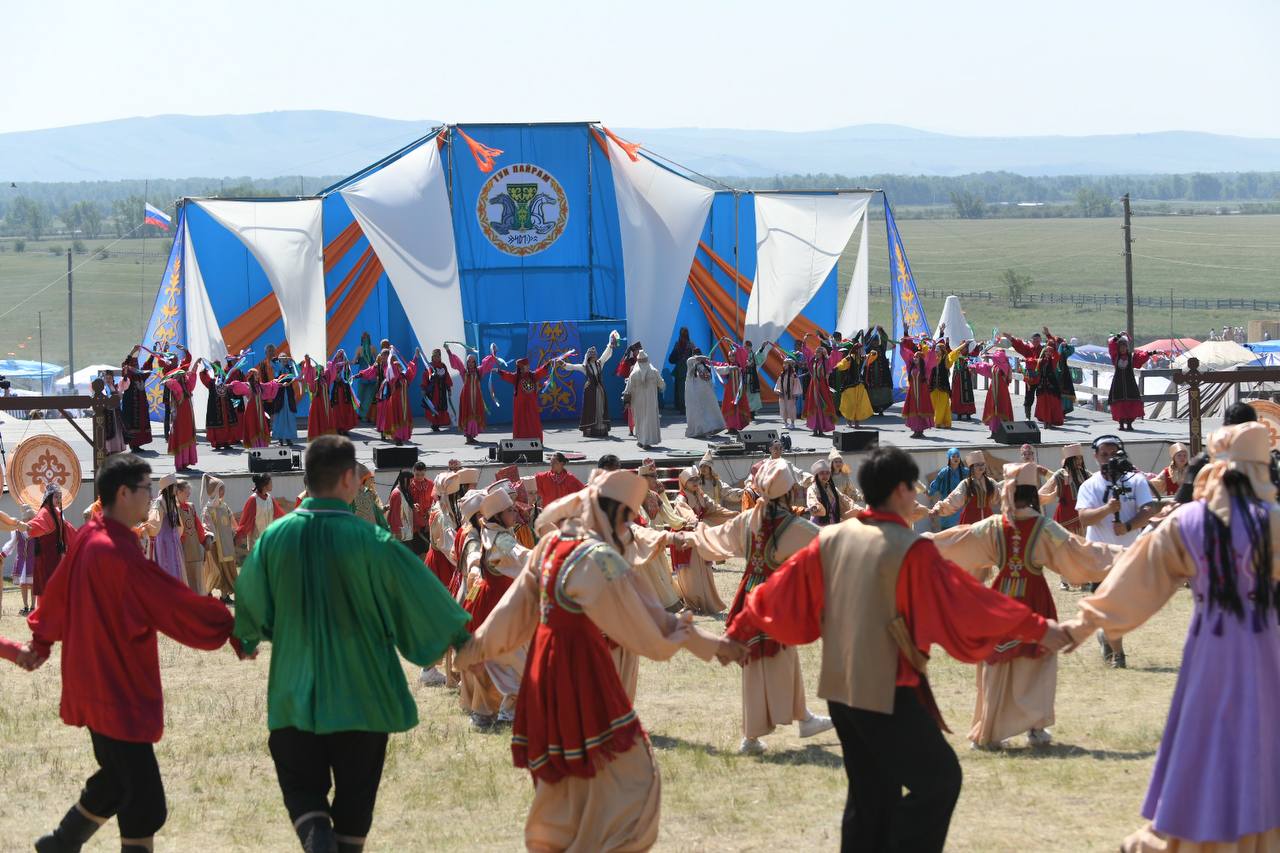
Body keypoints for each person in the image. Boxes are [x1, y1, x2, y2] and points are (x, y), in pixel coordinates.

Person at [722, 445, 1072, 852]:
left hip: (840, 690)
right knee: (940, 780)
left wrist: (736, 633)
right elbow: (971, 603)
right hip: (886, 689)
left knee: (871, 794)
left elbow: (772, 594)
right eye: (913, 487)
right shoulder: (912, 548)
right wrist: (1036, 626)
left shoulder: (832, 539)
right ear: (902, 491)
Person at [454, 470, 732, 852]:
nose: (628, 527)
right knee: (634, 774)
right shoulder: (598, 558)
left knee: (560, 783)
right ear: (613, 516)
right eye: (626, 518)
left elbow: (511, 614)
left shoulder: (551, 546)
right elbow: (645, 624)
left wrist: (474, 648)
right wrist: (705, 644)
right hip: (581, 672)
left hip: (544, 673)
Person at [234, 435, 472, 853]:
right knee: (354, 811)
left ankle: (315, 836)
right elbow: (426, 600)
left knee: (303, 795)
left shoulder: (274, 539)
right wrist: (463, 639)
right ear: (348, 478)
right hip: (363, 698)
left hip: (295, 695)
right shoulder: (373, 542)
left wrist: (251, 637)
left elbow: (251, 604)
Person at [1065, 422, 1280, 853]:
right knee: (1263, 739)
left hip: (1211, 646)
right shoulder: (1272, 521)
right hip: (1264, 646)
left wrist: (1083, 624)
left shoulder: (1189, 521)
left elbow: (1137, 576)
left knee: (1203, 738)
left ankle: (1192, 826)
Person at [26, 453, 237, 853]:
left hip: (97, 684)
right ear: (123, 493)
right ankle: (60, 843)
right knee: (145, 802)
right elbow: (171, 603)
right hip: (115, 690)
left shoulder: (91, 536)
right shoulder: (114, 551)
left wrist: (41, 641)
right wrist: (229, 627)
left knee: (116, 781)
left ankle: (60, 843)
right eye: (144, 489)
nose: (150, 496)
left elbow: (54, 596)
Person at [929, 463, 1119, 749]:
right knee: (1037, 662)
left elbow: (958, 541)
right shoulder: (1045, 528)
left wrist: (917, 544)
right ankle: (1035, 727)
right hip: (1034, 598)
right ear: (1032, 493)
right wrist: (1125, 556)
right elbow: (1079, 553)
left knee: (997, 663)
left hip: (1001, 601)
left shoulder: (994, 526)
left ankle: (990, 731)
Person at [677, 458, 834, 754]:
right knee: (771, 659)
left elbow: (714, 537)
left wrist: (683, 538)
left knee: (775, 658)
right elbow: (830, 545)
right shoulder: (795, 526)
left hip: (751, 595)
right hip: (775, 598)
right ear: (788, 492)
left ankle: (802, 718)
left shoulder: (749, 518)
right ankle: (752, 737)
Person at [1074, 434, 1160, 668]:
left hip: (1130, 554)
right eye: (1104, 454)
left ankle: (1107, 635)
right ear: (1095, 456)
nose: (1109, 459)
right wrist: (1107, 509)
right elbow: (1084, 518)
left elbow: (1149, 508)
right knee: (1110, 605)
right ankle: (1118, 654)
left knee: (1125, 607)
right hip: (1100, 556)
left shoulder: (1136, 480)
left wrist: (1130, 525)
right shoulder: (1089, 485)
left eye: (1114, 454)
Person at [459, 487, 531, 728]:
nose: (514, 513)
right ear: (499, 515)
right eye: (510, 510)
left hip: (494, 601)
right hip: (499, 604)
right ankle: (501, 712)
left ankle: (492, 712)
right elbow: (522, 557)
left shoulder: (493, 532)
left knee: (497, 660)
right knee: (514, 660)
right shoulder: (502, 539)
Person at [669, 468, 729, 615]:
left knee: (704, 570)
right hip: (685, 539)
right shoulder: (681, 499)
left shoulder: (701, 495)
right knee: (691, 572)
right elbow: (687, 514)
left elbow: (714, 508)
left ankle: (707, 601)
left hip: (699, 535)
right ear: (684, 482)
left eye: (697, 479)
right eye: (692, 480)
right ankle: (692, 603)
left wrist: (732, 515)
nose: (696, 482)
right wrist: (697, 524)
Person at [27, 484, 77, 610]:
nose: (58, 500)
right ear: (48, 497)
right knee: (46, 591)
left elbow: (68, 529)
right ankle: (45, 620)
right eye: (56, 497)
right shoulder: (45, 512)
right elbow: (34, 527)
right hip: (45, 559)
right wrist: (25, 526)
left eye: (59, 497)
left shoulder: (55, 513)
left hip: (55, 558)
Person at [499, 354, 566, 443]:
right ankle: (520, 439)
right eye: (526, 366)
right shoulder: (516, 377)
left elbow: (540, 371)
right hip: (520, 404)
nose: (528, 367)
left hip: (531, 403)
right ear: (521, 367)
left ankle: (536, 440)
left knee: (533, 421)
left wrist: (548, 364)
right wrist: (499, 371)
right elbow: (507, 375)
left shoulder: (532, 376)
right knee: (521, 421)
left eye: (528, 365)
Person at [565, 332, 619, 438]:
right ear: (589, 357)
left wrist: (610, 345)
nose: (595, 356)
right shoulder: (585, 367)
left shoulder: (599, 364)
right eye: (592, 355)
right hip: (590, 391)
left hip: (599, 390)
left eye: (595, 355)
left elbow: (605, 355)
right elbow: (573, 367)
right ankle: (590, 430)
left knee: (600, 408)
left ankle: (601, 429)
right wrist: (563, 364)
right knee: (591, 409)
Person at [445, 344, 497, 444]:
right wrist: (448, 351)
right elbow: (457, 363)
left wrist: (494, 353)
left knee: (475, 415)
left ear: (475, 363)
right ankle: (468, 436)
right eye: (468, 362)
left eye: (472, 362)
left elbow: (487, 363)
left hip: (476, 397)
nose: (470, 364)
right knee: (467, 415)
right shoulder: (464, 372)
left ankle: (471, 436)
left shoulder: (479, 371)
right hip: (466, 398)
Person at [931, 451, 1000, 525]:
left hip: (988, 519)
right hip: (970, 519)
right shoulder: (966, 484)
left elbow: (1000, 495)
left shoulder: (990, 482)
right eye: (977, 465)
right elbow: (953, 499)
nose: (980, 467)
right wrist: (938, 509)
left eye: (982, 464)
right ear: (972, 467)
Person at [200, 475, 239, 603]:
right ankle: (207, 592)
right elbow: (207, 526)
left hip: (227, 546)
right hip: (215, 546)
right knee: (214, 570)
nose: (224, 491)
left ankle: (224, 595)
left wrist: (238, 531)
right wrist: (211, 539)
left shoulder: (224, 506)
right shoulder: (208, 509)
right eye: (221, 489)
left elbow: (232, 521)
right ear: (215, 491)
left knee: (227, 570)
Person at [228, 369, 286, 449]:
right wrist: (230, 385)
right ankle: (254, 445)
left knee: (261, 425)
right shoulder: (248, 385)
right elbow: (238, 385)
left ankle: (261, 444)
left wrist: (280, 384)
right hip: (251, 410)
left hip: (259, 409)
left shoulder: (259, 386)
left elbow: (269, 385)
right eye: (256, 375)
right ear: (251, 376)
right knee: (253, 426)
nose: (257, 377)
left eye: (258, 375)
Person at [1040, 443, 1089, 536]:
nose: (1079, 461)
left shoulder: (1085, 474)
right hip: (1065, 519)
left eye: (1080, 458)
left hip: (1081, 518)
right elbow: (1045, 490)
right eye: (1076, 458)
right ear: (1070, 460)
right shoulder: (1061, 474)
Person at [1107, 332, 1152, 431]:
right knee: (1120, 405)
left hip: (1129, 383)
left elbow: (1141, 358)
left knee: (1131, 403)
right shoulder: (1115, 356)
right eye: (1120, 347)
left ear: (1126, 347)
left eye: (1124, 347)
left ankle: (1130, 423)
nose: (1122, 349)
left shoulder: (1131, 357)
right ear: (1118, 348)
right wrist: (1119, 335)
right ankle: (1121, 424)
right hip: (1118, 384)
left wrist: (1152, 353)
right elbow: (1111, 344)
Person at [623, 349, 665, 449]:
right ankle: (647, 441)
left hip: (637, 402)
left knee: (640, 420)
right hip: (651, 400)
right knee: (649, 420)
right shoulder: (654, 371)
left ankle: (641, 440)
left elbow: (627, 389)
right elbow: (662, 384)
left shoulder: (634, 374)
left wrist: (626, 401)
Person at [235, 473, 288, 553]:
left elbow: (280, 514)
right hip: (256, 543)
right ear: (264, 485)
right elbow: (246, 521)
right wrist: (239, 536)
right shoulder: (253, 500)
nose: (272, 484)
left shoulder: (269, 498)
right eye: (270, 482)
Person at [174, 480, 211, 594]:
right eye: (186, 492)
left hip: (195, 550)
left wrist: (205, 539)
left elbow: (198, 526)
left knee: (198, 582)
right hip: (182, 551)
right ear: (178, 492)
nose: (189, 495)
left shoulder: (191, 507)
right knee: (186, 582)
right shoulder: (174, 509)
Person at [198, 357, 242, 450]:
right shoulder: (210, 376)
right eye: (216, 364)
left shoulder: (223, 375)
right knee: (217, 423)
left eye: (219, 364)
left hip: (225, 401)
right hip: (215, 402)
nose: (218, 366)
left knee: (226, 421)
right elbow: (203, 376)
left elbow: (229, 382)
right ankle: (217, 442)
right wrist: (206, 367)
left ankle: (226, 442)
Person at [974, 347, 1015, 439]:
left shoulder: (1005, 366)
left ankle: (1002, 432)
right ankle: (993, 432)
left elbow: (998, 359)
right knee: (993, 410)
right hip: (993, 390)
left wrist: (989, 356)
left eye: (999, 353)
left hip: (1001, 391)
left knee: (1001, 410)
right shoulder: (995, 366)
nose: (996, 356)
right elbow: (986, 369)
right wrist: (975, 366)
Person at [899, 336, 936, 438]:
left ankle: (920, 431)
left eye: (916, 357)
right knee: (913, 411)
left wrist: (933, 348)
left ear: (921, 359)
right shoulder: (911, 366)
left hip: (922, 393)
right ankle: (916, 430)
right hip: (913, 393)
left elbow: (931, 358)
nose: (914, 358)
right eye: (914, 357)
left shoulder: (926, 369)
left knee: (922, 410)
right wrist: (901, 345)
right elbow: (905, 355)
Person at [684, 353, 726, 438]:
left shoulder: (706, 367)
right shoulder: (691, 367)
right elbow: (689, 360)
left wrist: (730, 368)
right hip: (695, 397)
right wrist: (700, 357)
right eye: (697, 356)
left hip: (707, 396)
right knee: (699, 414)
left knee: (708, 413)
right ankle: (701, 431)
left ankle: (709, 430)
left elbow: (717, 369)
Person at [119, 347, 153, 451]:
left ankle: (137, 445)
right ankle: (133, 445)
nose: (136, 366)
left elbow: (147, 367)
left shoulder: (140, 375)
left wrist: (152, 356)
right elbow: (124, 366)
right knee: (132, 424)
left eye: (136, 364)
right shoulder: (128, 375)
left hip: (141, 405)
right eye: (134, 364)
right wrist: (132, 352)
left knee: (141, 424)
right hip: (131, 405)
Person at [3, 507, 36, 614]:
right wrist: (3, 554)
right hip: (22, 561)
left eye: (31, 518)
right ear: (25, 519)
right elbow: (11, 544)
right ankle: (26, 606)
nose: (30, 520)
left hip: (33, 560)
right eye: (28, 518)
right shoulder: (17, 531)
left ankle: (32, 606)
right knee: (24, 584)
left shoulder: (36, 531)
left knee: (32, 584)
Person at [1006, 331, 1044, 421]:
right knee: (1029, 397)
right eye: (1035, 340)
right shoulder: (1028, 348)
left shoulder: (1043, 349)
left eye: (1038, 340)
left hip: (1041, 377)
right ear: (1032, 340)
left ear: (1040, 340)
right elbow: (1019, 346)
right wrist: (1012, 339)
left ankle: (1042, 415)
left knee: (1042, 397)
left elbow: (1046, 359)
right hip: (1030, 378)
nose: (1036, 342)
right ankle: (1027, 416)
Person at [927, 449, 968, 532]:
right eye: (953, 456)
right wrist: (930, 492)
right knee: (946, 526)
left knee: (960, 526)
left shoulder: (965, 471)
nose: (956, 458)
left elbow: (972, 480)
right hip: (947, 501)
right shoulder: (944, 472)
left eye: (957, 456)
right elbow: (937, 483)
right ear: (949, 458)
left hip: (960, 502)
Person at [808, 459, 855, 527]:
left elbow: (844, 499)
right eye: (821, 473)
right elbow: (812, 501)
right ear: (817, 475)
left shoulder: (832, 489)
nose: (825, 476)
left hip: (832, 523)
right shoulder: (812, 489)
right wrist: (816, 507)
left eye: (827, 473)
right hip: (818, 524)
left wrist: (857, 509)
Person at [265, 357, 301, 446]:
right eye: (283, 359)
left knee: (289, 417)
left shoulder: (290, 367)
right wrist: (281, 357)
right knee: (280, 417)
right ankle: (280, 438)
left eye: (285, 359)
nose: (285, 360)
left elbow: (297, 375)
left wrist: (292, 361)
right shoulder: (277, 367)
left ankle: (288, 438)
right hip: (280, 395)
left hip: (288, 395)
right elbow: (272, 360)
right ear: (280, 360)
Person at [803, 341, 836, 437]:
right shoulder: (814, 361)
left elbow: (828, 372)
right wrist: (804, 343)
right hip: (813, 385)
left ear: (822, 353)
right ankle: (814, 429)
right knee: (814, 406)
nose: (816, 353)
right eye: (816, 352)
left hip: (822, 386)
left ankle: (821, 429)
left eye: (818, 352)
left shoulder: (826, 361)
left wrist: (833, 346)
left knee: (822, 407)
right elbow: (807, 354)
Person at [863, 325, 894, 415]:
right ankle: (871, 409)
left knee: (882, 391)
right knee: (870, 391)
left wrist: (881, 330)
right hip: (870, 375)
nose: (876, 342)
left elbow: (885, 339)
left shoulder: (881, 348)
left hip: (882, 374)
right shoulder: (868, 350)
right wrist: (869, 331)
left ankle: (881, 409)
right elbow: (865, 340)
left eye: (877, 340)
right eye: (874, 341)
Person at [350, 464, 388, 529]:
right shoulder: (351, 493)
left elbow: (378, 510)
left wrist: (384, 508)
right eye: (371, 478)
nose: (373, 480)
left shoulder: (371, 492)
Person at [668, 327, 696, 413]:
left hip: (680, 369)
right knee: (686, 389)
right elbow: (695, 356)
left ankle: (681, 407)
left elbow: (671, 359)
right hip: (688, 368)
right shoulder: (691, 344)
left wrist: (678, 360)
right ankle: (685, 407)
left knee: (680, 389)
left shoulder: (678, 344)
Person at [928, 336, 954, 429]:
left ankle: (940, 422)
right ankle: (937, 421)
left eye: (938, 349)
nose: (936, 350)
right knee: (933, 404)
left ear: (942, 350)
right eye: (936, 349)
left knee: (943, 405)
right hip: (933, 386)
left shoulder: (946, 359)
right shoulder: (932, 359)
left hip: (943, 386)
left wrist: (948, 345)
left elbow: (951, 358)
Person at [353, 332, 379, 422]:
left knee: (360, 395)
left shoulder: (359, 349)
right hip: (372, 375)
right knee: (369, 397)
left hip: (362, 374)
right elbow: (377, 361)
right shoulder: (373, 348)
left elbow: (354, 361)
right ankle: (363, 415)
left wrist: (346, 362)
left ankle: (359, 414)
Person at [949, 340, 977, 420]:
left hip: (966, 378)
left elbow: (976, 353)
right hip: (958, 378)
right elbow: (957, 367)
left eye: (967, 347)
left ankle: (968, 412)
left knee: (968, 395)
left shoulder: (968, 355)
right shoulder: (957, 355)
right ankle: (959, 413)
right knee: (959, 395)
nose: (966, 349)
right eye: (964, 347)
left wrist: (978, 346)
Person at [774, 356, 804, 429]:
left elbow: (796, 385)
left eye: (786, 364)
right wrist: (779, 391)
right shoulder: (782, 374)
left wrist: (794, 393)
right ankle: (785, 422)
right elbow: (779, 384)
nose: (784, 365)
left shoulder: (794, 375)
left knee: (791, 408)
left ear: (790, 365)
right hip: (783, 394)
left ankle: (792, 423)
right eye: (784, 364)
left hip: (790, 394)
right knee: (783, 408)